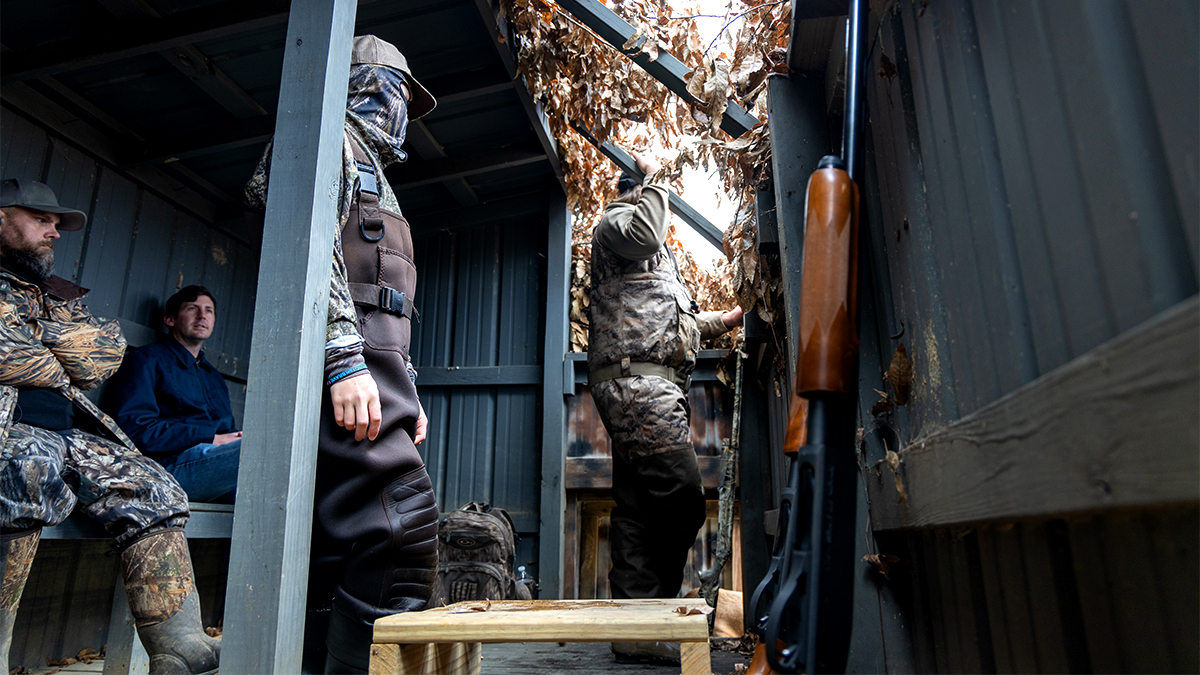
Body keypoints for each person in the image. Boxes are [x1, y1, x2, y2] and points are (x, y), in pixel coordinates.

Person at [244, 35, 438, 674]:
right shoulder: (327, 140)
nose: (403, 107)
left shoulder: (380, 176)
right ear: (367, 81)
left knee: (339, 546)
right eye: (398, 89)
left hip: (381, 375)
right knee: (400, 526)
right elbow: (307, 244)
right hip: (341, 369)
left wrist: (404, 385)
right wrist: (342, 358)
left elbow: (388, 298)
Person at [0, 179, 220, 674]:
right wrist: (55, 355)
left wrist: (35, 343)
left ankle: (178, 650)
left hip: (68, 434)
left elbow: (101, 355)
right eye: (41, 220)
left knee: (155, 486)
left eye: (57, 225)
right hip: (9, 430)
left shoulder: (54, 294)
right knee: (27, 468)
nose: (54, 232)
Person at [586, 154, 744, 665]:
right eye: (647, 195)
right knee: (681, 501)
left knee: (636, 507)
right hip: (639, 388)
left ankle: (634, 627)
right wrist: (655, 180)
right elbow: (647, 234)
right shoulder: (616, 225)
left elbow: (682, 323)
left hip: (641, 387)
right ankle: (652, 614)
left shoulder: (648, 263)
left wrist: (729, 318)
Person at [103, 285, 240, 503]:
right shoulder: (147, 360)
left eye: (209, 311)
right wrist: (211, 438)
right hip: (168, 469)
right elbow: (135, 429)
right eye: (192, 309)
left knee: (269, 454)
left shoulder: (213, 376)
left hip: (215, 469)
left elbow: (227, 431)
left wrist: (233, 439)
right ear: (170, 319)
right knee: (256, 452)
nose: (202, 316)